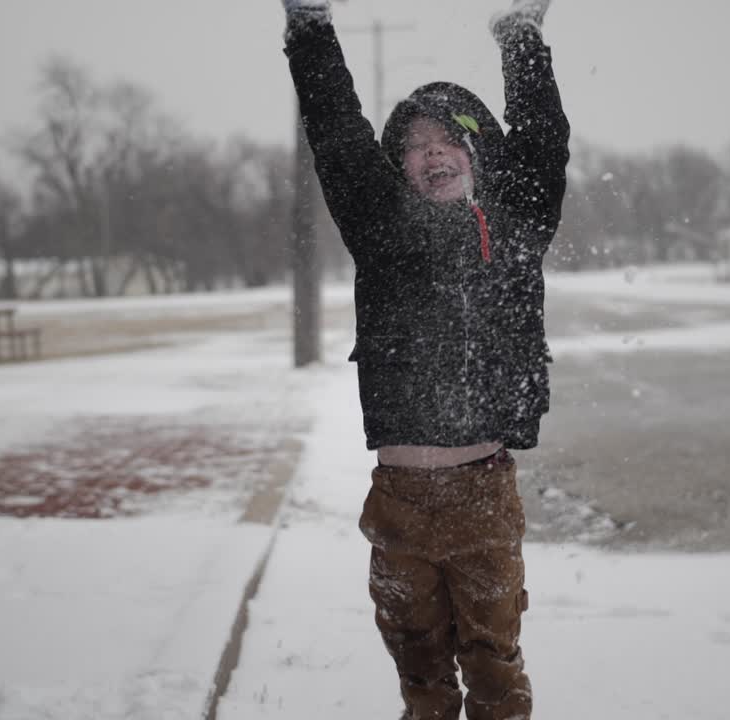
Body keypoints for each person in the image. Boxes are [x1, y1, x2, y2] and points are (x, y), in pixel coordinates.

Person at [279, 1, 569, 718]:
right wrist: (310, 26)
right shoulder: (382, 228)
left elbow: (542, 138)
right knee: (421, 676)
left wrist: (520, 37)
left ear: (475, 153)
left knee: (495, 666)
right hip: (400, 502)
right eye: (415, 144)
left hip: (485, 494)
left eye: (449, 139)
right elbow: (337, 132)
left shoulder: (517, 223)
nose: (434, 153)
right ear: (398, 164)